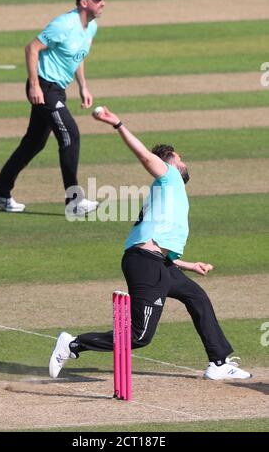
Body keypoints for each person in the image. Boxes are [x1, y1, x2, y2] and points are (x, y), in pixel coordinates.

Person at [49, 106, 252, 381]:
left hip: (157, 262)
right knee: (139, 335)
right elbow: (145, 157)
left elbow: (154, 242)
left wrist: (189, 264)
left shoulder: (168, 193)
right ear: (169, 162)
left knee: (197, 298)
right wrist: (117, 123)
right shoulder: (168, 175)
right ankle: (74, 344)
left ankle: (218, 362)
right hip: (147, 264)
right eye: (180, 159)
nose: (184, 163)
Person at [0, 0, 111, 216]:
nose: (102, 2)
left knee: (33, 142)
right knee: (70, 135)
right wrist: (34, 85)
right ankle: (74, 201)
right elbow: (31, 49)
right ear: (84, 2)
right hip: (43, 87)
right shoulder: (64, 24)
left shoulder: (90, 27)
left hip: (57, 89)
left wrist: (83, 86)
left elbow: (77, 56)